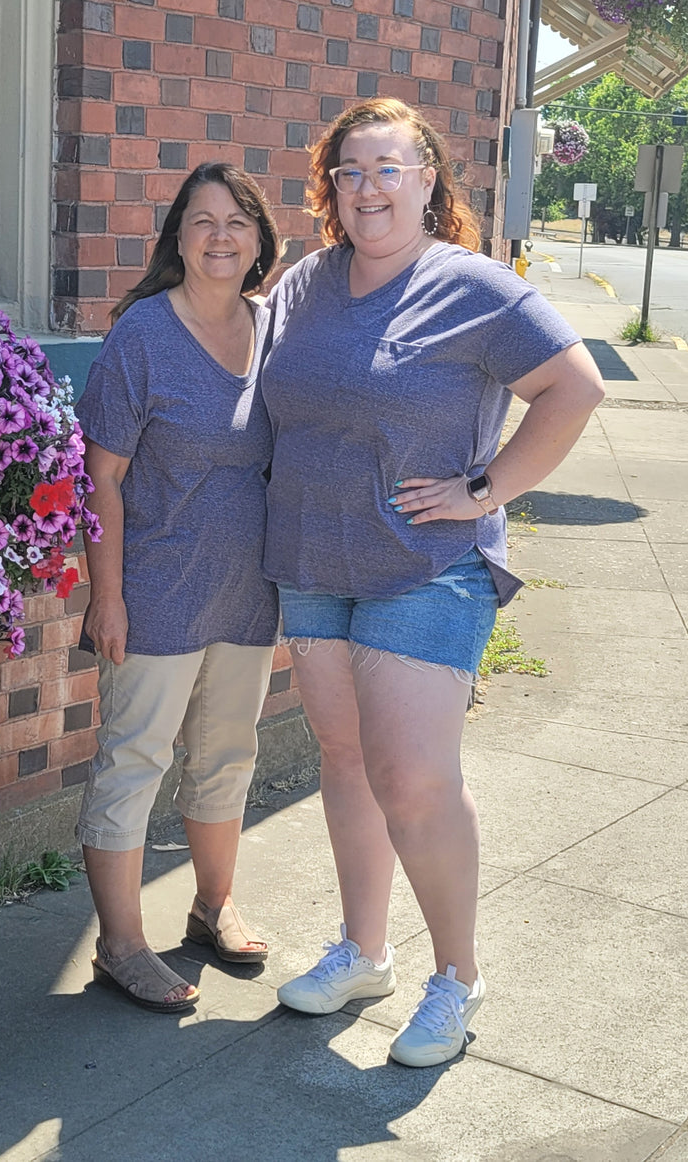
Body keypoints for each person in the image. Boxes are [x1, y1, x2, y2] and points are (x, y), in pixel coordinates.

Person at [261, 98, 605, 1065]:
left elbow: (574, 388)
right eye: (349, 170)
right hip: (314, 563)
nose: (367, 187)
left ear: (427, 180)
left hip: (426, 566)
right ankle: (363, 951)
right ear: (331, 186)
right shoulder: (308, 284)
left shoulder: (475, 288)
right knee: (345, 760)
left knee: (413, 778)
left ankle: (457, 978)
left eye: (388, 167)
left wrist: (485, 486)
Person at [74, 163, 281, 1013]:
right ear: (178, 238)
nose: (221, 236)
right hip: (155, 589)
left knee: (228, 757)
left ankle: (211, 906)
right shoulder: (144, 336)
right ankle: (120, 945)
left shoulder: (277, 329)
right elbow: (102, 477)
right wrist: (107, 595)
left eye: (237, 221)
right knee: (134, 761)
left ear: (261, 238)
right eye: (202, 221)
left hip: (248, 591)